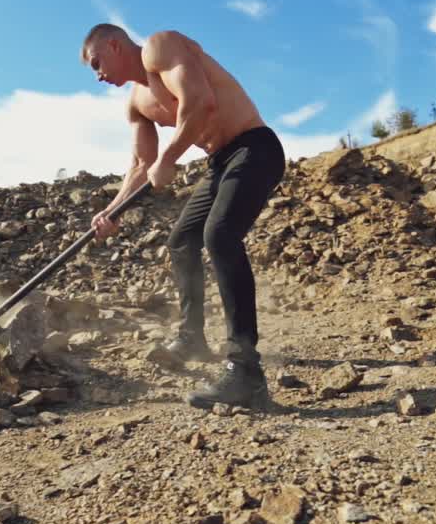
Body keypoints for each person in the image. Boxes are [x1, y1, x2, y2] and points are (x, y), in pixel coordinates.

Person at [80, 23, 286, 410]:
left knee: (220, 235)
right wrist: (111, 212)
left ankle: (246, 373)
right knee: (182, 239)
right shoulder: (137, 102)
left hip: (255, 148)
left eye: (97, 63)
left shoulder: (160, 47)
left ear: (114, 45)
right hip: (220, 162)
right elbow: (141, 165)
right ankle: (192, 337)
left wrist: (169, 158)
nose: (98, 75)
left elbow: (201, 101)